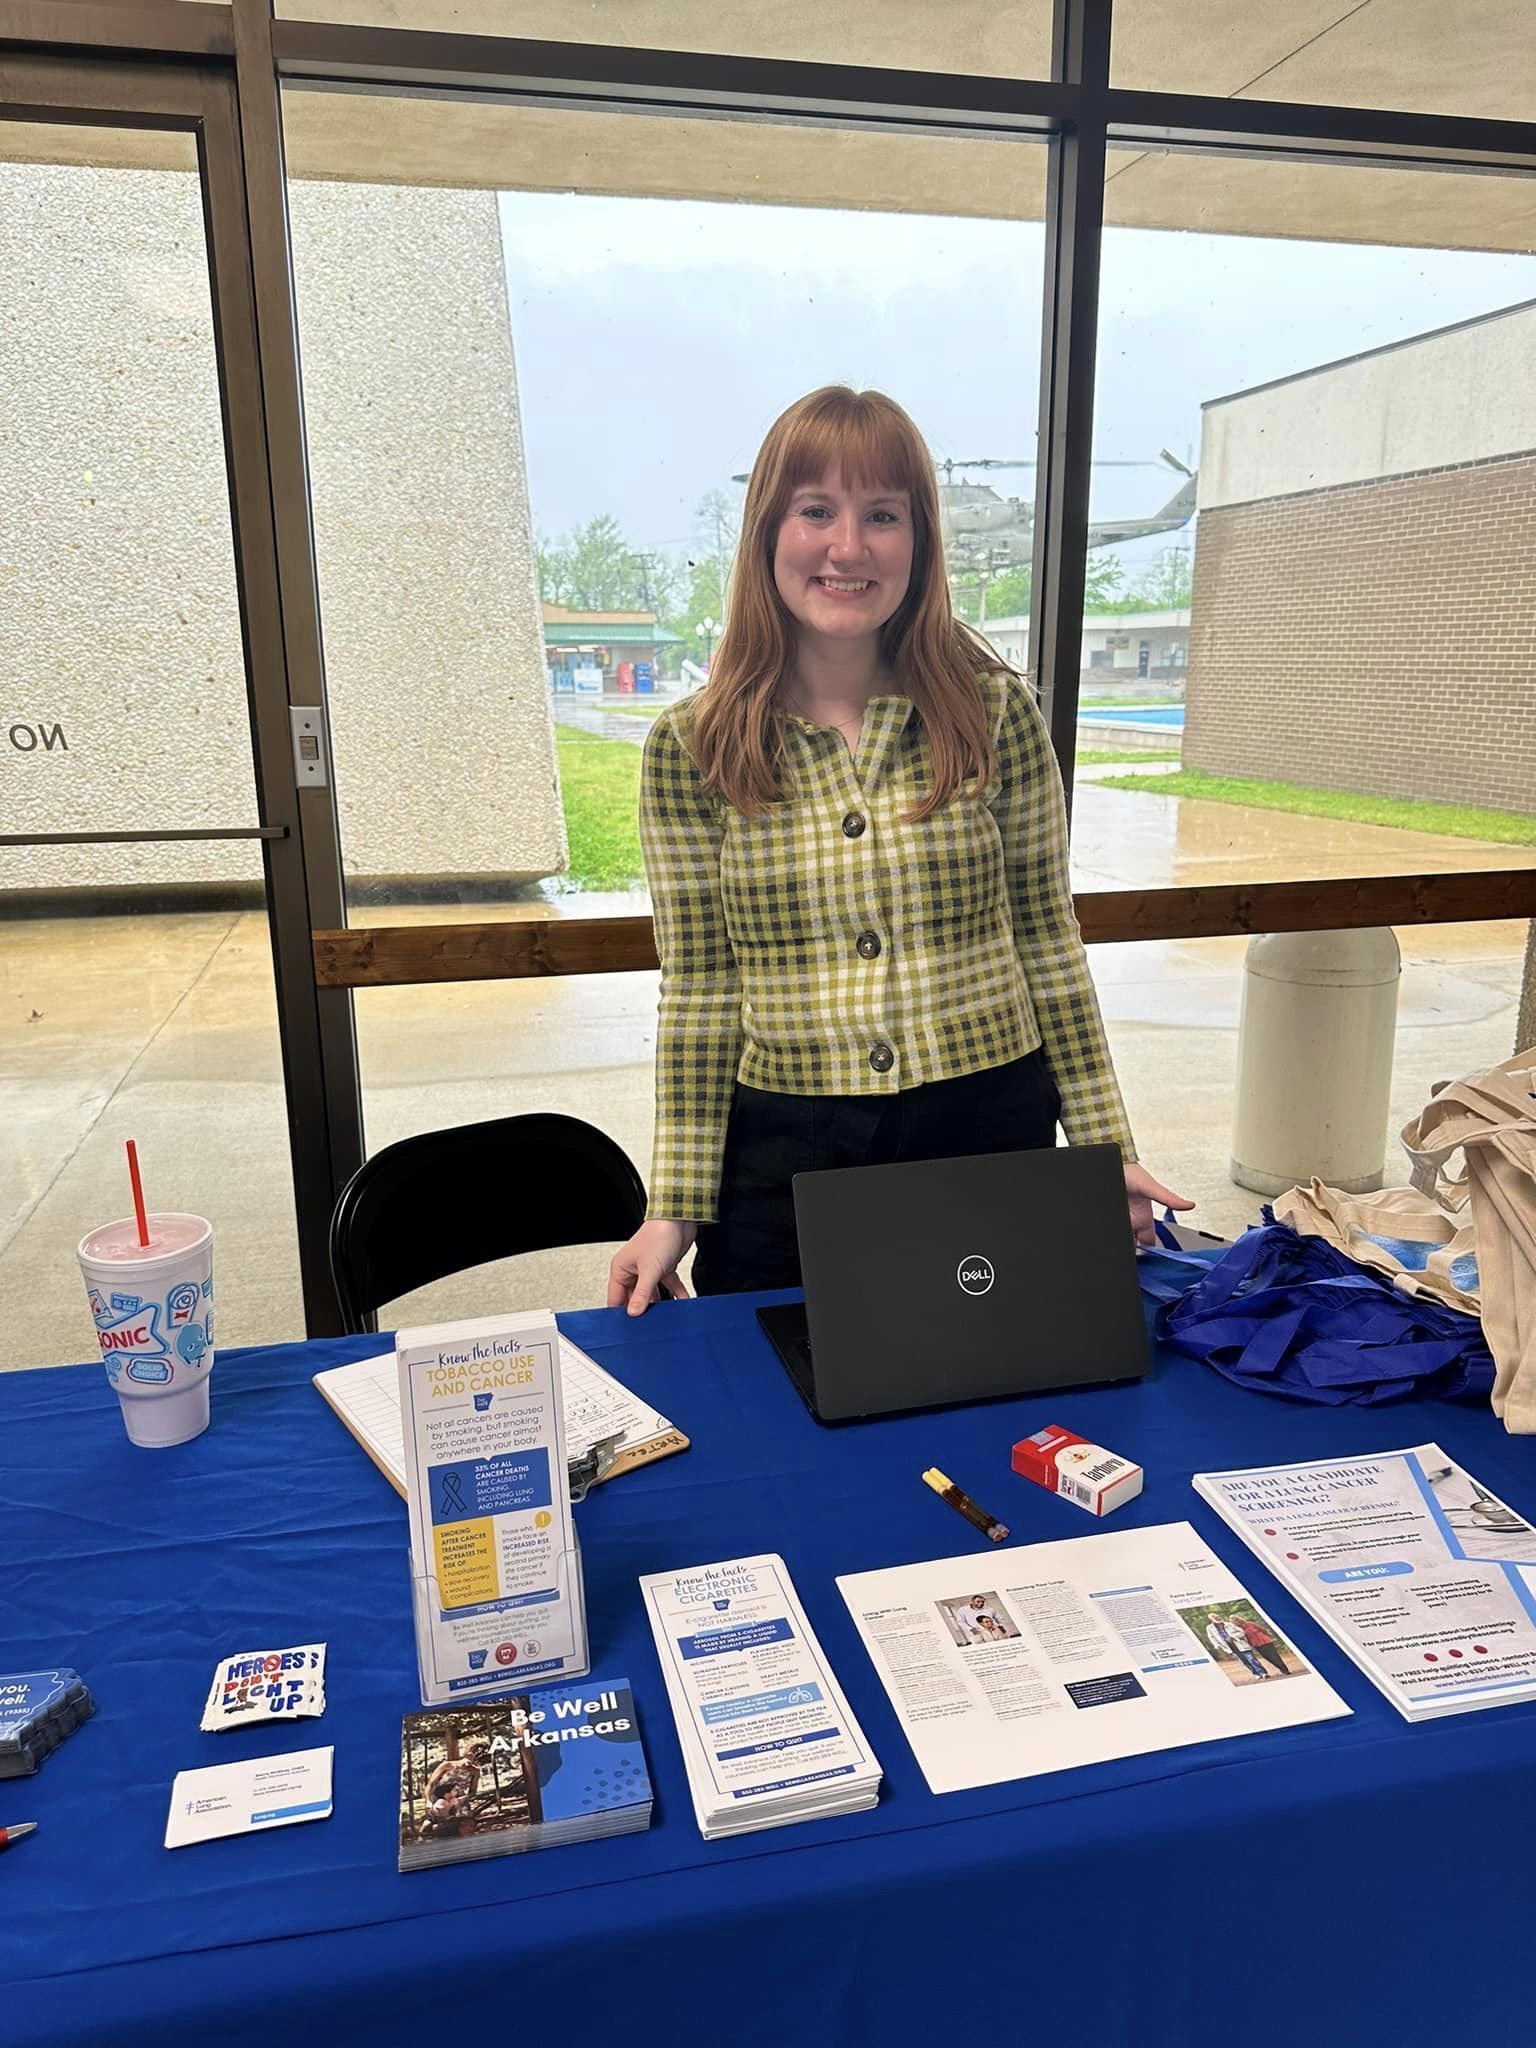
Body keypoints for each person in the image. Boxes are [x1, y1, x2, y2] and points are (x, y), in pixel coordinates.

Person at [608, 385, 1193, 1313]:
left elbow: (1048, 939)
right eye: (817, 511)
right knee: (784, 1413)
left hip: (987, 1128)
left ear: (918, 542)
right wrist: (673, 1207)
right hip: (786, 1158)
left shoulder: (993, 712)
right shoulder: (693, 747)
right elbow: (700, 986)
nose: (848, 547)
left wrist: (1103, 1150)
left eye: (882, 514)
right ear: (768, 532)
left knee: (1000, 1390)